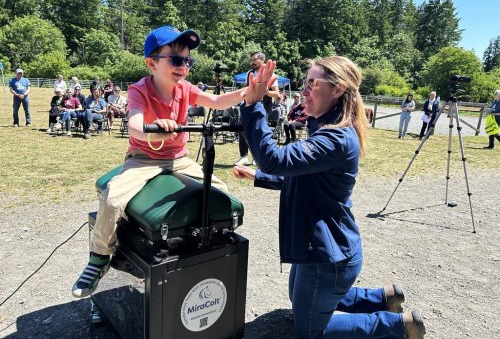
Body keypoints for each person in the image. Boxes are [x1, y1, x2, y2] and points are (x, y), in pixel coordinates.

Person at [233, 56, 426, 339]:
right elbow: (301, 174)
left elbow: (274, 159)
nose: (305, 90)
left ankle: (399, 325)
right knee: (297, 295)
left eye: (313, 83)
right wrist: (258, 176)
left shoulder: (334, 137)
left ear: (337, 90)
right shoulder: (324, 126)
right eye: (305, 82)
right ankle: (385, 297)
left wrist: (253, 106)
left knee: (310, 329)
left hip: (329, 256)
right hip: (322, 247)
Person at [72, 25, 249, 298]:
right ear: (151, 63)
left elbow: (216, 100)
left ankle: (209, 250)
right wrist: (156, 126)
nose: (183, 66)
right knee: (112, 199)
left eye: (188, 60)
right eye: (176, 59)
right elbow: (135, 126)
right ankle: (99, 257)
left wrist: (247, 92)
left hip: (179, 159)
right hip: (144, 159)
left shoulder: (185, 88)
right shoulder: (139, 90)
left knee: (219, 190)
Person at [234, 51, 280, 166]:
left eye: (255, 59)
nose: (252, 62)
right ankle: (243, 156)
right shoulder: (250, 73)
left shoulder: (269, 73)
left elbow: (277, 94)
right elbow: (246, 89)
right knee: (242, 129)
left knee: (258, 131)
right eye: (252, 59)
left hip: (263, 107)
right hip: (248, 105)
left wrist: (265, 91)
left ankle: (257, 156)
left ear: (262, 60)